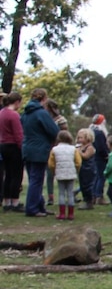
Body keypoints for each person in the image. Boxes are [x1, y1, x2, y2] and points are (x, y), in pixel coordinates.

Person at [20, 88, 60, 217]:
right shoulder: (41, 113)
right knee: (37, 179)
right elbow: (54, 130)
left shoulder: (25, 113)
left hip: (27, 147)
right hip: (39, 149)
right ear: (44, 99)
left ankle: (39, 205)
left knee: (33, 179)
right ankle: (32, 208)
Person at [47, 130, 81, 221]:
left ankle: (62, 213)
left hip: (60, 173)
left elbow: (51, 164)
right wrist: (76, 170)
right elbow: (78, 162)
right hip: (71, 173)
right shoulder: (73, 149)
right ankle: (71, 214)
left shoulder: (54, 149)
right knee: (70, 193)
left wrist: (54, 171)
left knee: (61, 193)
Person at [1, 92, 25, 212]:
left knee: (8, 175)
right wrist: (22, 148)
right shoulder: (14, 115)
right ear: (17, 102)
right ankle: (15, 202)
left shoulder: (2, 113)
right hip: (14, 146)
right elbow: (18, 134)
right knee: (17, 175)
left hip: (3, 145)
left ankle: (6, 202)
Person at [43, 99, 68, 206]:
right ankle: (50, 196)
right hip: (48, 149)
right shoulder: (45, 118)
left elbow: (64, 134)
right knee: (49, 174)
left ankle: (66, 195)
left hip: (57, 148)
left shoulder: (61, 120)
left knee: (58, 173)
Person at [90, 114, 110, 206]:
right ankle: (99, 196)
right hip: (100, 158)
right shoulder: (100, 132)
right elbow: (102, 147)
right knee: (101, 177)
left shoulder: (91, 131)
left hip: (94, 157)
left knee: (96, 177)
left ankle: (93, 195)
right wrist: (106, 155)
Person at [75, 128, 97, 210]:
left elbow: (86, 156)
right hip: (82, 168)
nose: (79, 140)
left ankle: (89, 202)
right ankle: (86, 200)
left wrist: (78, 151)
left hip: (89, 168)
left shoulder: (90, 147)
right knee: (82, 185)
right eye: (78, 138)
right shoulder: (80, 146)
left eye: (81, 138)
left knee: (88, 185)